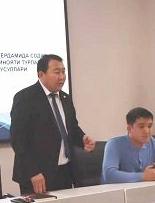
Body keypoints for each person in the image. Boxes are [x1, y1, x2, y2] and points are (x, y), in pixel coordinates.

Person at [11, 54, 95, 194]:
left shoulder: (65, 98)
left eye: (63, 72)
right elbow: (18, 140)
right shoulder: (25, 98)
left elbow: (71, 128)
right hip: (38, 176)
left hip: (65, 171)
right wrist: (33, 172)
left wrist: (82, 139)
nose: (62, 77)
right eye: (57, 72)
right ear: (41, 74)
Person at [101, 107, 155, 184]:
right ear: (129, 129)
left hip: (142, 189)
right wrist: (143, 176)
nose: (147, 131)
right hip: (115, 190)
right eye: (141, 126)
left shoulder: (151, 142)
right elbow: (109, 175)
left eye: (149, 126)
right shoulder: (114, 144)